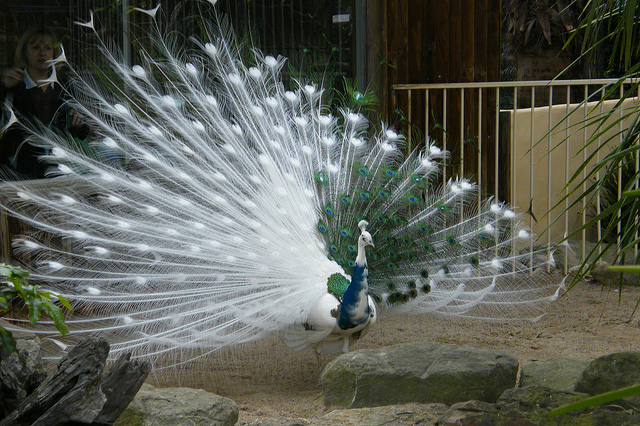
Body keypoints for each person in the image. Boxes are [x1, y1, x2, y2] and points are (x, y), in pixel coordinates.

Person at [0, 25, 89, 180]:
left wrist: (79, 124)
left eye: (47, 48)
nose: (42, 53)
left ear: (54, 53)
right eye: (35, 47)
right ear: (25, 52)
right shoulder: (12, 85)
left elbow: (81, 132)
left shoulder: (65, 86)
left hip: (60, 168)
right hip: (18, 171)